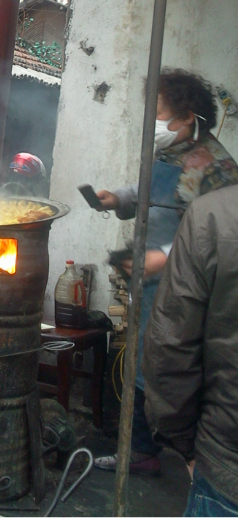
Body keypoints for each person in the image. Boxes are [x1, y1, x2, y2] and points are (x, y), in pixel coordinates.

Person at [90, 69, 237, 475]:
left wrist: (164, 258)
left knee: (169, 365)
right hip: (152, 282)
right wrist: (117, 198)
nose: (151, 121)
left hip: (188, 288)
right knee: (140, 360)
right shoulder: (168, 153)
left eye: (157, 112)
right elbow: (147, 194)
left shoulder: (218, 169)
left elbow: (223, 240)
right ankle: (140, 450)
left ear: (187, 117)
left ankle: (196, 459)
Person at [143, 186, 237, 517]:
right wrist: (118, 199)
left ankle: (146, 449)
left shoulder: (213, 211)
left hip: (227, 468)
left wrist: (185, 446)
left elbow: (171, 348)